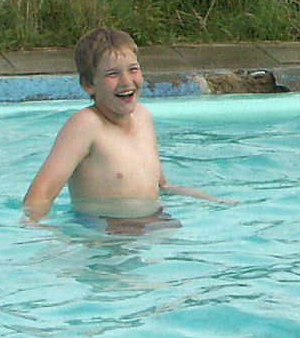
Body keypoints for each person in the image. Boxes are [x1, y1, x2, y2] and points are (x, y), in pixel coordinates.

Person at [20, 27, 228, 232]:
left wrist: (212, 200)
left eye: (133, 69)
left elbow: (162, 186)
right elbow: (41, 194)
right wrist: (37, 227)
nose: (126, 81)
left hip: (155, 222)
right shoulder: (85, 125)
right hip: (103, 230)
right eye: (112, 74)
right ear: (89, 84)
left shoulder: (143, 117)